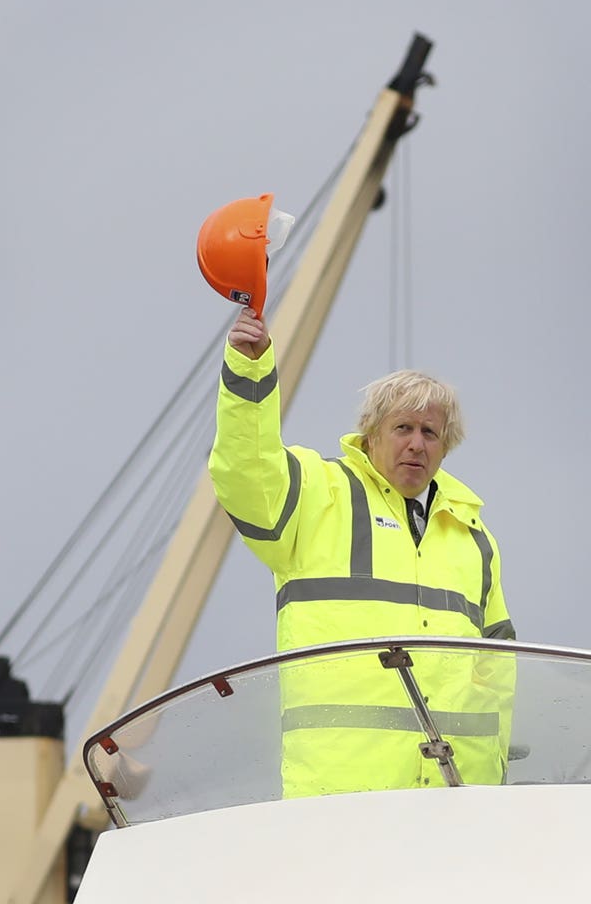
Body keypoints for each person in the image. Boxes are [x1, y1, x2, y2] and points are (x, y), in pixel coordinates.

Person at [207, 282, 515, 796]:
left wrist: (497, 785)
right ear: (370, 432)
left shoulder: (473, 535)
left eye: (430, 433)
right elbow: (246, 471)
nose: (416, 444)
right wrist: (249, 369)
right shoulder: (317, 494)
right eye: (403, 428)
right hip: (342, 802)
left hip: (458, 803)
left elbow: (500, 670)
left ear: (446, 445)